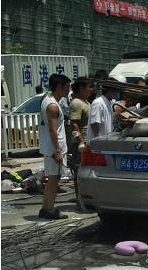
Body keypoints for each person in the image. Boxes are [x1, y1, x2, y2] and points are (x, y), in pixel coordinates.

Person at [38, 74, 71, 219]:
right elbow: (52, 129)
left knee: (53, 177)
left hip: (51, 146)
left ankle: (46, 207)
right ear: (59, 87)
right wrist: (57, 150)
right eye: (67, 87)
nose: (68, 90)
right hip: (53, 147)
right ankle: (49, 209)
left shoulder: (49, 101)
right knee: (54, 178)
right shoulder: (52, 105)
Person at [69, 77, 92, 170]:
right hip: (81, 143)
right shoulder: (76, 103)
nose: (91, 90)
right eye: (89, 87)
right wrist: (80, 141)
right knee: (80, 168)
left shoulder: (86, 102)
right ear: (81, 88)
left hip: (88, 140)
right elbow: (73, 124)